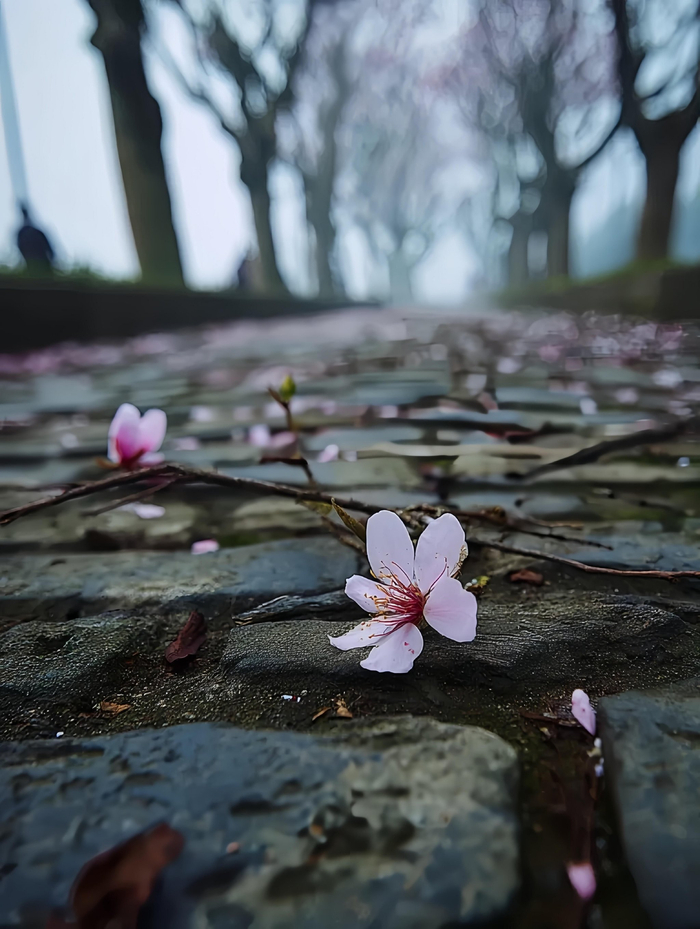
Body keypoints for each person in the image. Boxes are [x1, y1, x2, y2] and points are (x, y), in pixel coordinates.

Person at [16, 203, 54, 274]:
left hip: (42, 263)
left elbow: (49, 249)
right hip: (33, 264)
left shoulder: (29, 232)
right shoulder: (22, 232)